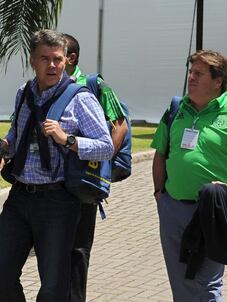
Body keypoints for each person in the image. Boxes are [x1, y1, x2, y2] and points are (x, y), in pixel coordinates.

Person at [0, 29, 113, 302]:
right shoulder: (23, 92)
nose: (52, 65)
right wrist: (5, 147)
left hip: (58, 201)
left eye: (58, 59)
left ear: (66, 61)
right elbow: (17, 135)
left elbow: (106, 146)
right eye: (45, 59)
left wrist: (69, 139)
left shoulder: (80, 97)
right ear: (32, 61)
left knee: (53, 286)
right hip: (19, 198)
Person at [151, 50, 227, 301]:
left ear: (218, 81)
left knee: (207, 281)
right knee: (179, 279)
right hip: (172, 208)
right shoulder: (176, 110)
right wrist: (160, 194)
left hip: (212, 211)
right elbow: (160, 152)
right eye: (191, 72)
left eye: (199, 74)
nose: (191, 77)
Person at [63, 33, 128, 302]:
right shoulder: (46, 86)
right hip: (53, 184)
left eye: (58, 54)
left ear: (72, 58)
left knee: (77, 252)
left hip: (82, 183)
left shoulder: (94, 85)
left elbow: (120, 125)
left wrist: (98, 163)